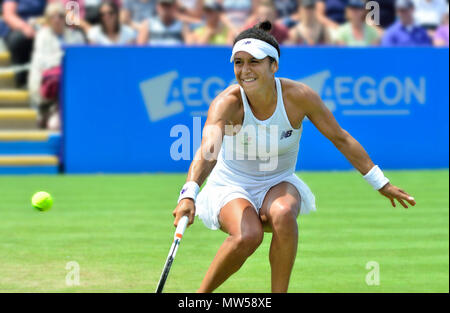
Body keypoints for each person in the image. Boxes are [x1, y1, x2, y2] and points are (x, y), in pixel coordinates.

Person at [172, 20, 416, 293]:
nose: (245, 70)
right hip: (230, 185)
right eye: (238, 62)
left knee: (285, 213)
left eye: (254, 62)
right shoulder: (228, 103)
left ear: (273, 65)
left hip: (278, 182)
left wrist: (380, 183)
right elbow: (208, 149)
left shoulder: (298, 97)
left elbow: (341, 138)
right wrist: (188, 194)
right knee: (248, 235)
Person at [28, 1, 85, 129]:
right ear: (48, 20)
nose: (57, 19)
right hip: (50, 85)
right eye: (53, 17)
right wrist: (64, 58)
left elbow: (81, 59)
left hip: (71, 81)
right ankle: (49, 113)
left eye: (60, 16)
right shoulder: (42, 36)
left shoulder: (76, 36)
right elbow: (44, 62)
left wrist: (64, 60)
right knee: (55, 125)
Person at [0, 0, 46, 87]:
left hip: (40, 27)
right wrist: (25, 27)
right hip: (17, 28)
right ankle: (22, 81)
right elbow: (9, 15)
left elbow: (54, 8)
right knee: (19, 40)